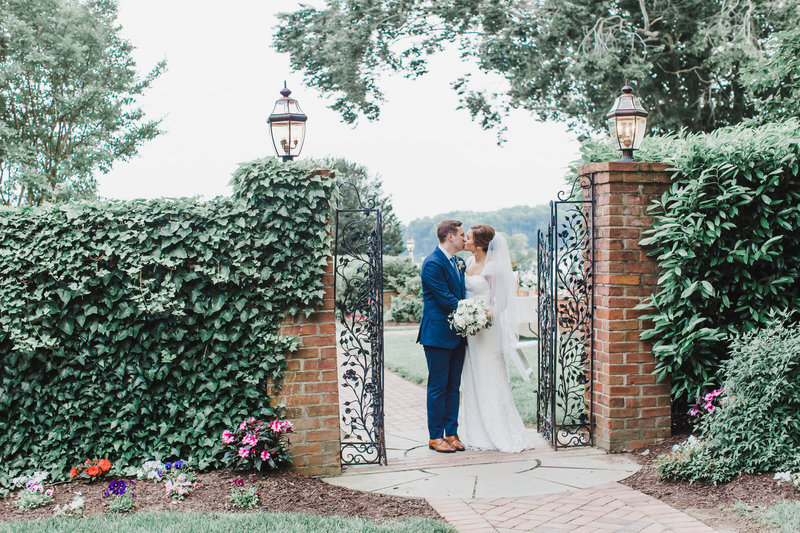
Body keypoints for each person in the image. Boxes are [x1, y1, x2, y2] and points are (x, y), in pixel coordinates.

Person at [458, 224, 535, 452]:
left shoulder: (492, 268)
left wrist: (481, 318)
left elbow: (501, 302)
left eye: (469, 237)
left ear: (480, 244)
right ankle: (475, 431)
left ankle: (499, 431)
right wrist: (468, 319)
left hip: (486, 330)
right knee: (472, 376)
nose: (465, 239)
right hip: (471, 331)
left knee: (490, 374)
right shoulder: (470, 263)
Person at [417, 220, 468, 453]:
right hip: (437, 334)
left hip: (458, 333)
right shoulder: (432, 263)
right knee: (437, 387)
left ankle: (452, 433)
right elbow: (446, 299)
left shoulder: (457, 262)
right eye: (462, 234)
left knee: (453, 387)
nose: (464, 238)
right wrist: (472, 311)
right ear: (449, 237)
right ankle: (435, 436)